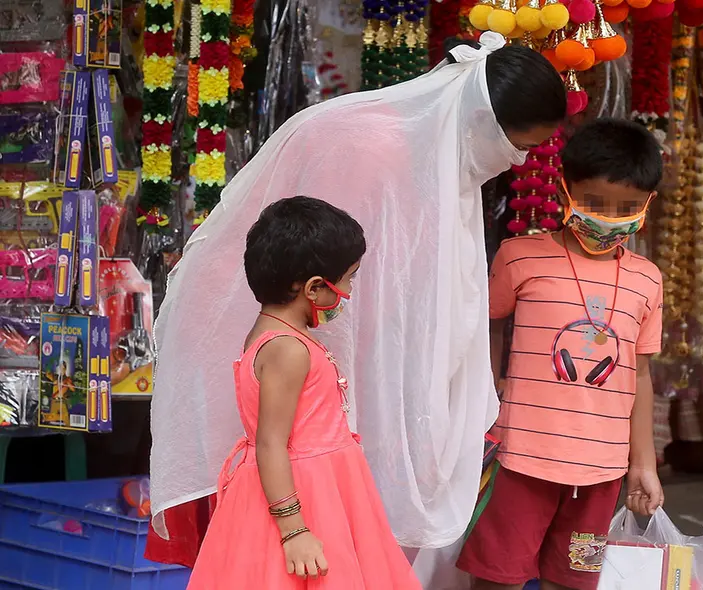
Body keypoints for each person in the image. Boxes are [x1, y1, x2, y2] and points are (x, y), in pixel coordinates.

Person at [149, 31, 566, 564]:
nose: (517, 164)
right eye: (520, 147)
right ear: (485, 121)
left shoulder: (439, 156)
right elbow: (329, 286)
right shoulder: (364, 146)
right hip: (298, 378)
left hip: (327, 386)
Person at [457, 119, 666, 590]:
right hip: (520, 459)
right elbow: (486, 325)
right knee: (498, 576)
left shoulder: (647, 279)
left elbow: (642, 376)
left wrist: (643, 465)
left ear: (647, 204)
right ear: (565, 189)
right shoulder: (519, 257)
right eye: (594, 203)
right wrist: (491, 388)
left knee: (575, 578)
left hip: (601, 474)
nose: (610, 218)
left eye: (627, 208)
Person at [186, 197, 421, 589]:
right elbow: (270, 444)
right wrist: (294, 530)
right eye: (347, 278)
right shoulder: (287, 349)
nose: (347, 290)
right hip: (309, 493)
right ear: (313, 288)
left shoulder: (277, 334)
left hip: (322, 484)